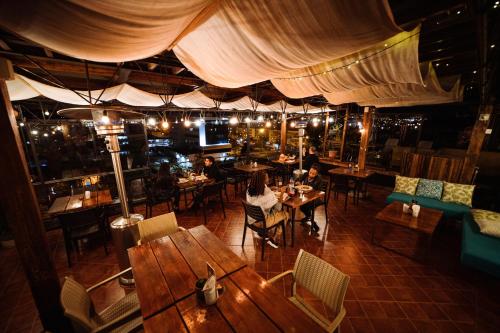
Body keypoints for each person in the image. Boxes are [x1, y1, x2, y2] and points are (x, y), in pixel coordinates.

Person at [246, 171, 288, 248]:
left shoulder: (249, 188)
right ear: (263, 181)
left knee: (271, 211)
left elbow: (259, 199)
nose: (268, 179)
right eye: (267, 178)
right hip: (262, 223)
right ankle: (274, 239)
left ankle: (261, 233)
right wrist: (282, 193)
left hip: (251, 220)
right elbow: (278, 208)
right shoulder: (267, 192)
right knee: (285, 214)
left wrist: (270, 188)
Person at [298, 163, 323, 233]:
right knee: (301, 206)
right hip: (306, 196)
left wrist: (311, 190)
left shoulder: (319, 179)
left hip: (316, 197)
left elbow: (319, 192)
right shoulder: (306, 174)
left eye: (313, 174)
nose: (310, 174)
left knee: (305, 206)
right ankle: (308, 216)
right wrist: (298, 182)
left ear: (316, 174)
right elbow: (298, 180)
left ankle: (313, 223)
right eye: (310, 172)